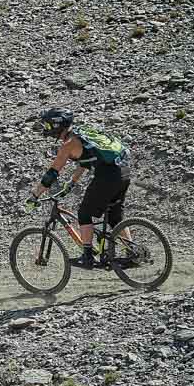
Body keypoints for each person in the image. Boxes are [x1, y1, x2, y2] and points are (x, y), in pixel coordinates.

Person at [25, 108, 131, 269]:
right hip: (123, 172)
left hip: (108, 176)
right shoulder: (82, 133)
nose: (46, 129)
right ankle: (132, 252)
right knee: (115, 217)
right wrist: (72, 182)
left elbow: (52, 173)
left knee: (84, 213)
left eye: (48, 125)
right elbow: (86, 161)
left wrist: (35, 195)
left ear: (56, 126)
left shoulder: (68, 144)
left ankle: (87, 256)